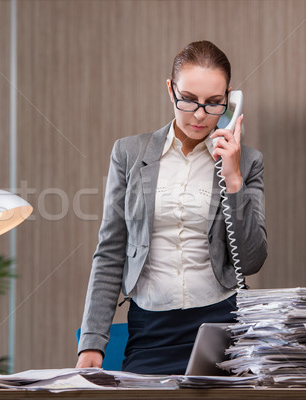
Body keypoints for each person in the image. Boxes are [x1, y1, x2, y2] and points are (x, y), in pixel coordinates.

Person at [76, 40, 267, 375]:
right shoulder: (129, 154)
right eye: (188, 99)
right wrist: (92, 344)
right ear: (170, 90)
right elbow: (110, 251)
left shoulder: (247, 162)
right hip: (150, 330)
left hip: (221, 326)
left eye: (213, 104)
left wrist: (233, 179)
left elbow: (251, 260)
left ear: (230, 100)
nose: (198, 115)